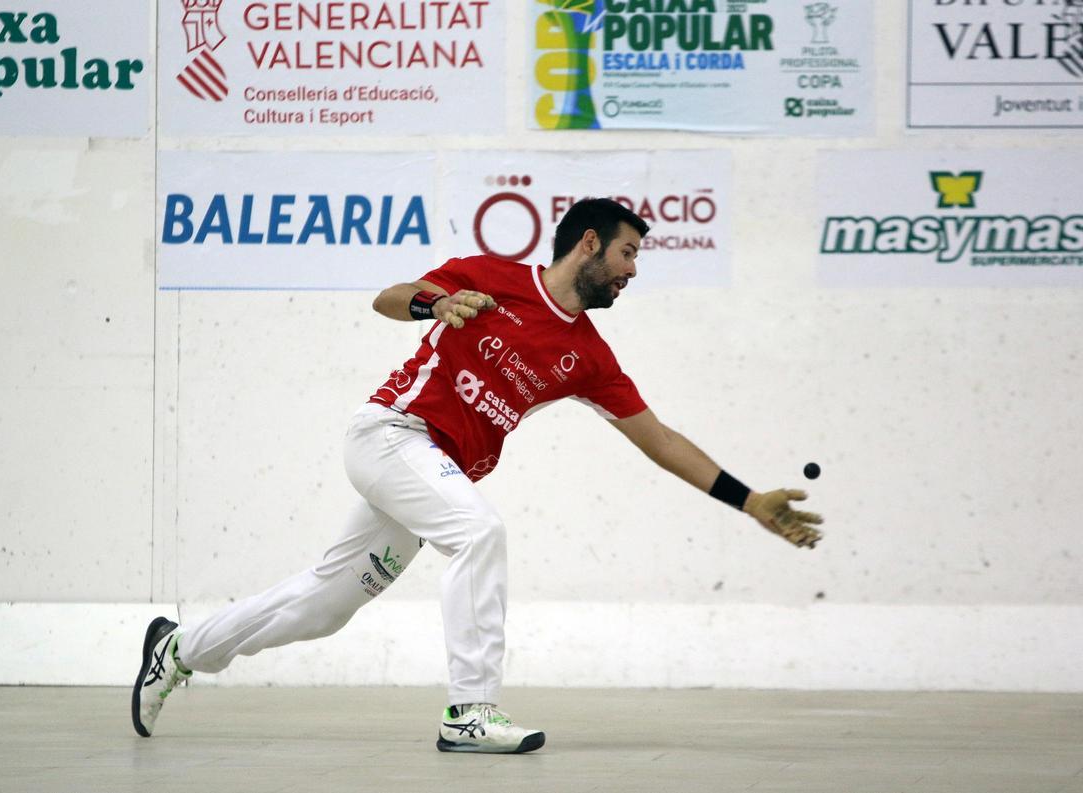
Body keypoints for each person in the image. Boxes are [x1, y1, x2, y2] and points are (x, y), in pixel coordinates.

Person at [131, 198, 823, 754]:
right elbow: (389, 297)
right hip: (390, 434)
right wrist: (435, 305)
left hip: (432, 472)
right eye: (627, 252)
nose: (633, 270)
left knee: (323, 606)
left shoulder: (587, 355)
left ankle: (179, 647)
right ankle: (470, 708)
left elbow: (659, 438)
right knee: (478, 529)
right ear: (587, 243)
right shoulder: (492, 275)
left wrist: (750, 499)